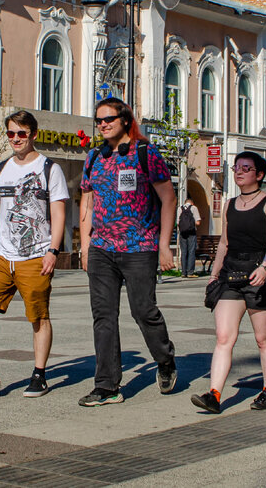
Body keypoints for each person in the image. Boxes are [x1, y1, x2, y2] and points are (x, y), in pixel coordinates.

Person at [78, 97, 178, 407]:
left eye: (109, 118)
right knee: (103, 316)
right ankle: (107, 386)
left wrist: (164, 245)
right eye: (99, 120)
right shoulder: (94, 157)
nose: (103, 124)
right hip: (102, 249)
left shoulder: (145, 153)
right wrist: (84, 245)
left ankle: (165, 360)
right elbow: (87, 202)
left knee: (142, 310)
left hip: (140, 247)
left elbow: (169, 199)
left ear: (125, 120)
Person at [0, 110, 68, 400]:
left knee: (38, 317)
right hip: (0, 255)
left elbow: (58, 214)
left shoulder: (50, 169)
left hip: (35, 256)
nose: (16, 139)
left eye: (21, 133)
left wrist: (52, 251)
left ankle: (39, 374)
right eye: (11, 133)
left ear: (33, 134)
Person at [191, 152, 266, 414]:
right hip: (231, 275)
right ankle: (214, 394)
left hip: (258, 275)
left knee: (263, 339)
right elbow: (224, 244)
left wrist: (265, 267)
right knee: (223, 337)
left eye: (247, 168)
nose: (240, 172)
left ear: (259, 174)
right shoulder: (230, 204)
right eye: (237, 167)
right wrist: (213, 276)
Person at [177, 198, 201, 277]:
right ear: (192, 203)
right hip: (192, 233)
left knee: (183, 252)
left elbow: (177, 222)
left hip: (182, 233)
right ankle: (190, 272)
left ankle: (183, 272)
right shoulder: (194, 208)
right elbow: (198, 222)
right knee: (191, 252)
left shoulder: (179, 208)